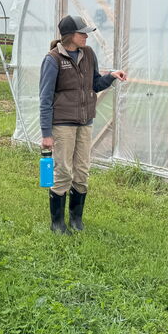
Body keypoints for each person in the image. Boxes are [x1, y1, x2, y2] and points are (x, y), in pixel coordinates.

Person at [39, 15, 127, 233]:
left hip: (85, 122)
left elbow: (95, 83)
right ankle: (57, 224)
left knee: (82, 171)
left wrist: (111, 76)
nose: (87, 36)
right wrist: (46, 133)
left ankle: (76, 220)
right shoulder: (53, 59)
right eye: (82, 33)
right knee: (63, 172)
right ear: (70, 36)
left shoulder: (88, 54)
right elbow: (45, 98)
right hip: (62, 125)